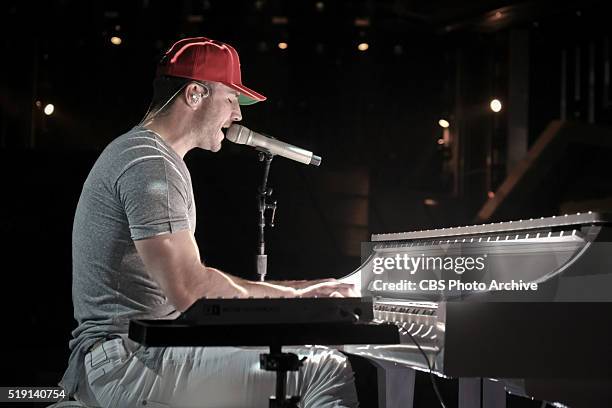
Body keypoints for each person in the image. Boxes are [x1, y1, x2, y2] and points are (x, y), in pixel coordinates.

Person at [58, 37, 359, 407]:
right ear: (195, 94)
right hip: (128, 363)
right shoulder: (150, 165)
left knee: (299, 356)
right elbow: (190, 288)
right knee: (323, 368)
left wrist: (302, 293)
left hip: (137, 353)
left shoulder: (146, 155)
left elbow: (194, 281)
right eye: (231, 99)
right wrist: (301, 299)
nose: (238, 115)